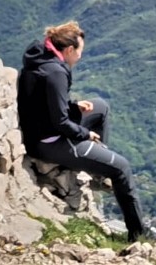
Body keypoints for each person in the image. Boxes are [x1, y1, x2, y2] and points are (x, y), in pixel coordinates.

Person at [17, 21, 146, 242]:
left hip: (42, 128)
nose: (80, 57)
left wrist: (74, 106)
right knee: (122, 168)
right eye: (79, 52)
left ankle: (98, 175)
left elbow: (47, 104)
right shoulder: (56, 72)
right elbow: (61, 123)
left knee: (100, 106)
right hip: (50, 141)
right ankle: (138, 236)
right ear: (68, 50)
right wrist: (85, 134)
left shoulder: (42, 59)